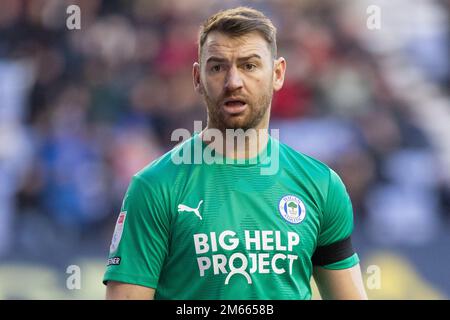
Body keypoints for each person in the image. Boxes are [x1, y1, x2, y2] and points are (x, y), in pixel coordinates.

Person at [103, 6, 368, 300]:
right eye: (217, 67)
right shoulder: (156, 187)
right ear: (197, 77)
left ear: (278, 74)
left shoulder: (321, 186)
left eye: (249, 66)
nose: (233, 82)